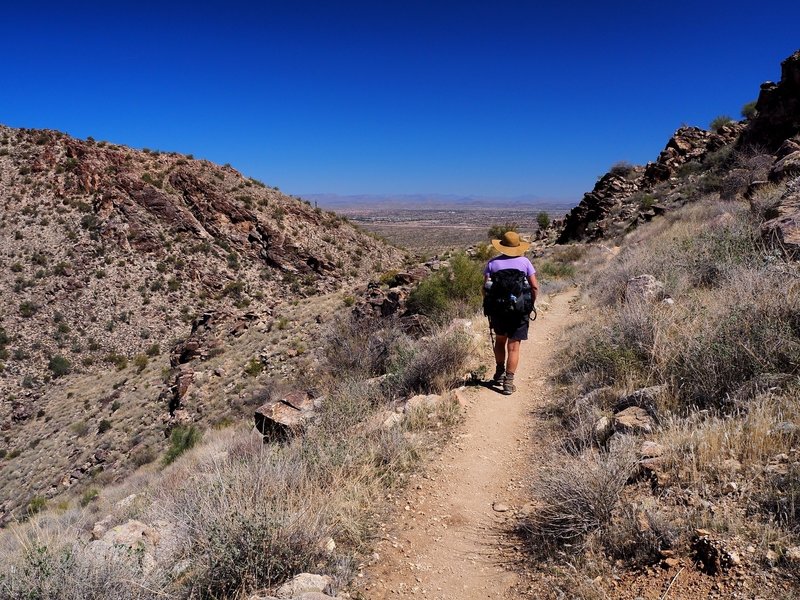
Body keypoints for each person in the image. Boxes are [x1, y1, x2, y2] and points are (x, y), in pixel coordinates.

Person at [483, 231, 539, 395]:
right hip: (519, 311)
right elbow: (534, 287)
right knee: (514, 347)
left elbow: (485, 288)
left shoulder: (492, 264)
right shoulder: (525, 262)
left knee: (500, 341)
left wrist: (490, 305)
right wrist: (530, 305)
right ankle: (508, 382)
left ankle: (499, 373)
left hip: (498, 310)